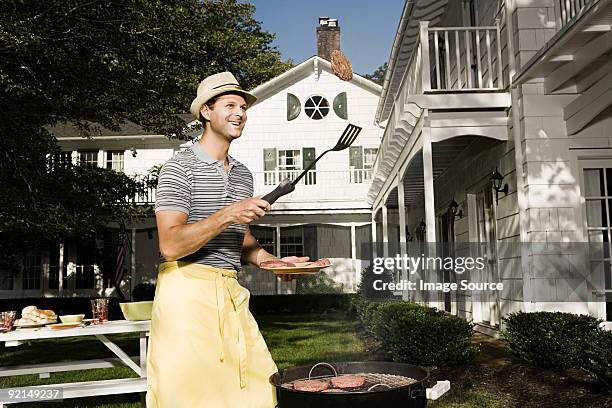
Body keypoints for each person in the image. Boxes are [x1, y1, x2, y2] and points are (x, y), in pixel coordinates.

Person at [146, 71, 308, 407]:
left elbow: (241, 239)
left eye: (243, 106)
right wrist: (228, 214)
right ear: (206, 111)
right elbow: (170, 245)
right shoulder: (179, 168)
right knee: (190, 397)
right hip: (185, 295)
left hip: (230, 291)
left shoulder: (243, 174)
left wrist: (273, 262)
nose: (240, 113)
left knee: (259, 390)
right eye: (230, 104)